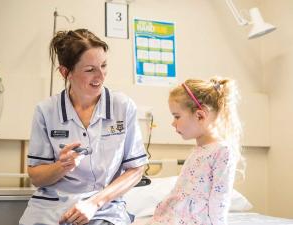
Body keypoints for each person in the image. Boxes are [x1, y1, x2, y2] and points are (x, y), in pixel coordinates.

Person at [19, 29, 148, 225]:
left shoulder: (122, 107)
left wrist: (94, 203)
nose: (100, 76)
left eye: (103, 66)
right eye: (90, 70)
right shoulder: (46, 111)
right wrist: (61, 167)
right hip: (50, 208)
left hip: (103, 207)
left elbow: (136, 169)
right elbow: (37, 177)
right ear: (65, 72)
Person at [133, 77, 242, 225]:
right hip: (173, 216)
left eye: (177, 116)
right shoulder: (199, 150)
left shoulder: (222, 151)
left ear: (200, 115)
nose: (173, 123)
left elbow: (220, 197)